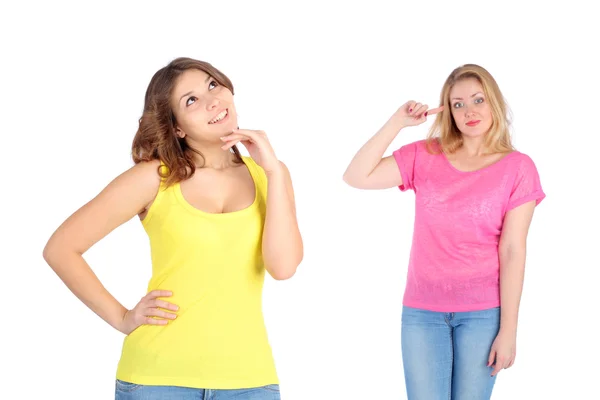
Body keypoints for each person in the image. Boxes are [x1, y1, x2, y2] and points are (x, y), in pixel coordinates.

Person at [42, 57, 303, 400]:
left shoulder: (270, 174)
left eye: (213, 85)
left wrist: (274, 173)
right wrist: (122, 318)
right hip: (157, 378)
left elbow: (283, 268)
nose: (212, 100)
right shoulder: (154, 178)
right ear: (177, 127)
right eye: (191, 100)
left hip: (249, 380)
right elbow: (60, 248)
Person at [343, 64, 545, 399]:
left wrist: (508, 329)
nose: (469, 111)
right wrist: (397, 123)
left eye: (478, 100)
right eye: (458, 104)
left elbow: (512, 251)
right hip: (423, 313)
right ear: (448, 111)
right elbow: (356, 176)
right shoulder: (426, 154)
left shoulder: (518, 167)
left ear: (493, 102)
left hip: (483, 313)